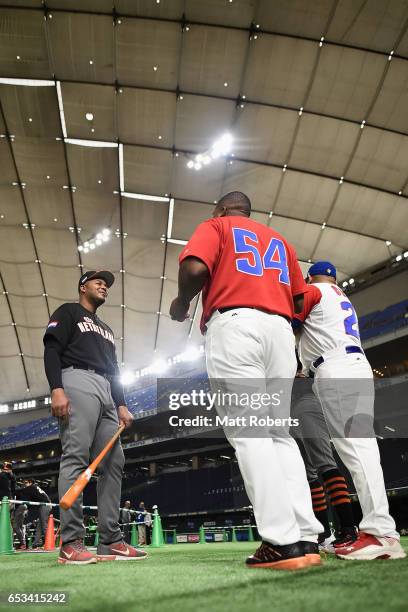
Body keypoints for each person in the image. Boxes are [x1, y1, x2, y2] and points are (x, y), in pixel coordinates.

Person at [170, 191, 323, 570]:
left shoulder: (216, 225)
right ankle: (305, 538)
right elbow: (301, 300)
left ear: (221, 208)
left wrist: (182, 301)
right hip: (280, 332)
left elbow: (193, 270)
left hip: (237, 325)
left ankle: (281, 542)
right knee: (279, 436)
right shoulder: (280, 241)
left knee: (251, 434)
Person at [295, 261, 406, 561]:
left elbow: (291, 322)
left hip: (336, 368)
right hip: (352, 365)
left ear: (309, 277)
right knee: (362, 449)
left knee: (357, 450)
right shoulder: (340, 297)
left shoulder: (313, 291)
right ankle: (380, 531)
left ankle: (381, 533)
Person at [43, 270, 147, 564]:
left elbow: (115, 372)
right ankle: (71, 541)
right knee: (76, 455)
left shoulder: (106, 329)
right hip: (77, 379)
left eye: (107, 284)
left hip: (106, 391)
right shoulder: (69, 312)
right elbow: (52, 350)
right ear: (82, 286)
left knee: (115, 460)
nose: (104, 286)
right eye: (98, 281)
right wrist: (57, 389)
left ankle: (110, 540)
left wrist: (122, 404)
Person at [291, 370, 356, 552]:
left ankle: (349, 529)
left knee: (325, 464)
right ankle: (324, 534)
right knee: (308, 474)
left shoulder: (293, 352)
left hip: (306, 402)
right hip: (289, 410)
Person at [16, 479, 51, 548]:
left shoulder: (31, 487)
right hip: (44, 505)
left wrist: (12, 489)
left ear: (30, 483)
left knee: (44, 525)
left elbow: (21, 491)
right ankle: (35, 543)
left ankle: (49, 542)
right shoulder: (34, 488)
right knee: (40, 526)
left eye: (26, 482)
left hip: (45, 506)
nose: (24, 484)